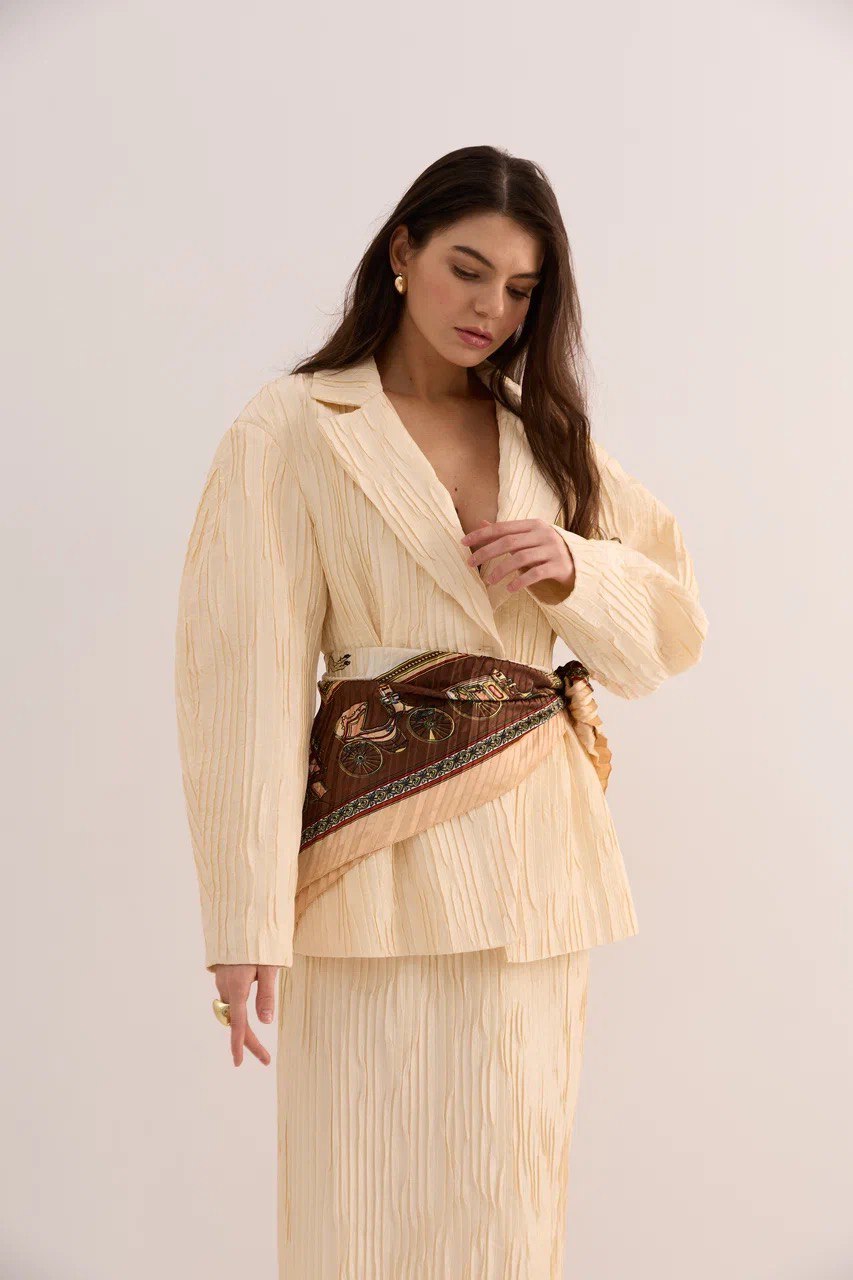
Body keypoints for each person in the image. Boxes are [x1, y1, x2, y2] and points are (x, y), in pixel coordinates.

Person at [173, 143, 708, 1278]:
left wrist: (573, 567)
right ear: (401, 252)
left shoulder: (545, 437)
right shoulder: (294, 426)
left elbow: (669, 632)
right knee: (353, 1197)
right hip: (366, 870)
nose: (490, 309)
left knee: (507, 1200)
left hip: (535, 872)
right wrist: (241, 921)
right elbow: (241, 677)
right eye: (468, 270)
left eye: (520, 289)